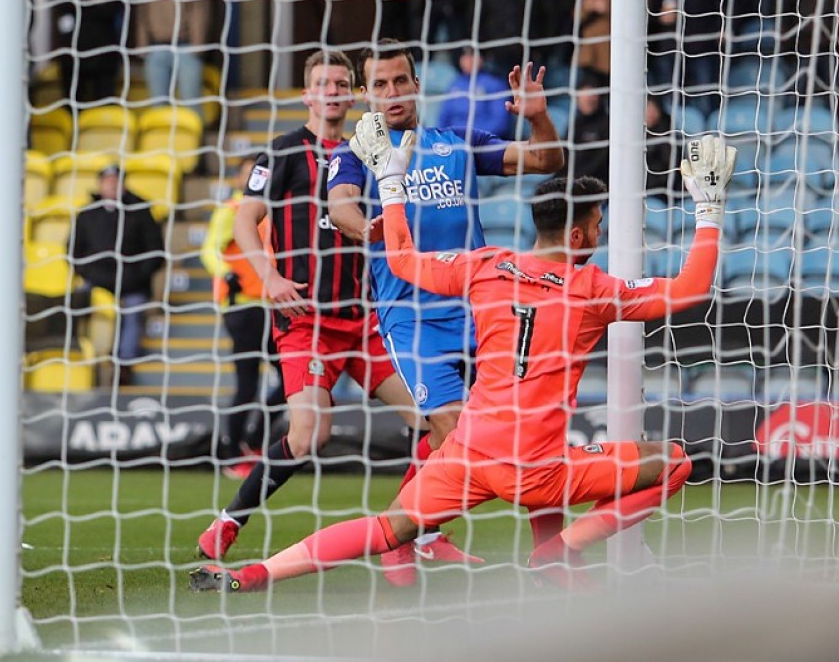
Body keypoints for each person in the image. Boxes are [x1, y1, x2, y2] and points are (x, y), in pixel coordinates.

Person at [189, 124, 736, 595]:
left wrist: (392, 184)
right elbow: (690, 288)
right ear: (576, 234)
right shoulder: (593, 289)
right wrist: (708, 211)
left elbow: (401, 259)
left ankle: (256, 574)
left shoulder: (484, 265)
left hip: (468, 453)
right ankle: (558, 551)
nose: (599, 233)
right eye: (597, 225)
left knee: (386, 528)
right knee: (674, 462)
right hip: (537, 470)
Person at [327, 41, 563, 583]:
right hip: (411, 315)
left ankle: (532, 551)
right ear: (365, 94)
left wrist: (538, 117)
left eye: (400, 81)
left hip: (478, 308)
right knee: (455, 429)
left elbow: (546, 160)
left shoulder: (456, 143)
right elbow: (340, 205)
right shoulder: (357, 152)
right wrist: (368, 228)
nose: (392, 93)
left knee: (518, 425)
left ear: (417, 84)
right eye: (379, 85)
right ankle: (403, 535)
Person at [195, 49, 424, 565]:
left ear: (354, 94)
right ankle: (230, 520)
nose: (333, 92)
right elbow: (244, 220)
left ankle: (411, 533)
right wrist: (270, 276)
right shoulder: (281, 152)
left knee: (434, 422)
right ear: (307, 94)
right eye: (323, 84)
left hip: (363, 320)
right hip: (307, 322)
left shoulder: (369, 151)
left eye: (342, 84)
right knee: (308, 436)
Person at [199, 155, 283, 476]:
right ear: (238, 179)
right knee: (248, 383)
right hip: (243, 305)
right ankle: (232, 453)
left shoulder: (272, 209)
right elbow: (209, 249)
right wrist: (225, 273)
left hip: (273, 304)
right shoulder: (231, 210)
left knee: (291, 379)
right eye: (249, 174)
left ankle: (254, 439)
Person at [71, 165, 165, 384]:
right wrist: (92, 274)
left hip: (133, 282)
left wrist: (136, 276)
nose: (112, 185)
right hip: (96, 281)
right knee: (80, 304)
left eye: (116, 180)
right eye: (108, 181)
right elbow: (74, 251)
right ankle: (87, 360)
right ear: (100, 184)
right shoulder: (87, 214)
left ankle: (124, 366)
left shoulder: (140, 211)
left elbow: (155, 251)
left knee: (133, 311)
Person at [435, 47, 514, 141]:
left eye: (473, 55)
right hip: (455, 143)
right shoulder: (454, 85)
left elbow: (500, 122)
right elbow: (443, 119)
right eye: (465, 56)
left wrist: (475, 138)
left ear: (481, 58)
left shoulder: (495, 84)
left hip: (485, 142)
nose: (469, 60)